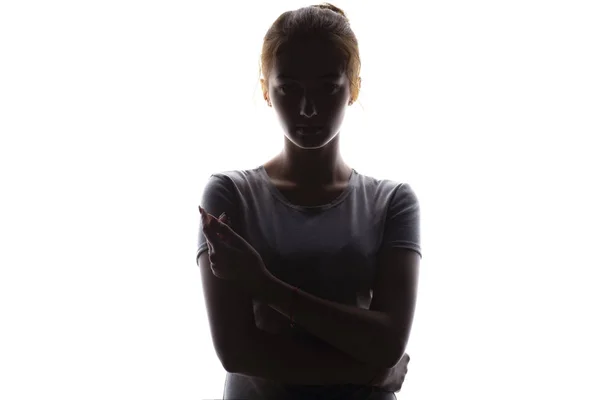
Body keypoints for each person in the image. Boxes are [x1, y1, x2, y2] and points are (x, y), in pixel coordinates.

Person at [196, 3, 421, 399]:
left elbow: (388, 343)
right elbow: (236, 352)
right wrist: (368, 373)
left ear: (354, 86)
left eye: (327, 87)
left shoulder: (393, 202)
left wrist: (264, 285)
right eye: (289, 88)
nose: (308, 108)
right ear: (266, 89)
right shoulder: (229, 194)